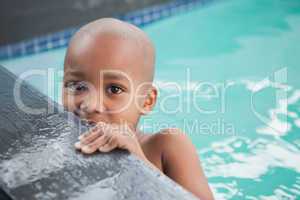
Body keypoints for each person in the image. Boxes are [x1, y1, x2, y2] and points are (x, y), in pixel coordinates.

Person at [62, 18, 214, 200]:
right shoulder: (63, 143)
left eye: (114, 89)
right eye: (78, 86)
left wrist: (139, 162)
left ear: (146, 101)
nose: (90, 104)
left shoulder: (166, 146)